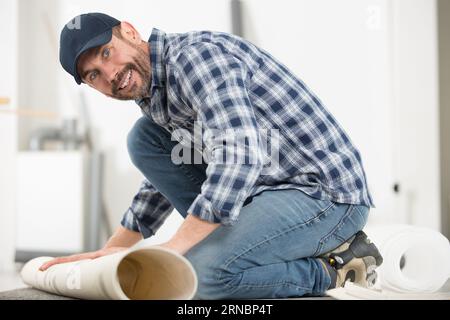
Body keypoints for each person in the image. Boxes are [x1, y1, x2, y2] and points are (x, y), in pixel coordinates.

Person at [39, 12, 382, 299]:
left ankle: (333, 268)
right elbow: (162, 181)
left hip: (322, 195)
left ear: (129, 32)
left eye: (105, 53)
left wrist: (173, 249)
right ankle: (241, 249)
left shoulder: (195, 59)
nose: (110, 74)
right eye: (93, 75)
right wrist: (107, 253)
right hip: (264, 191)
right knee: (144, 139)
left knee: (198, 276)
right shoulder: (154, 92)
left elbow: (239, 156)